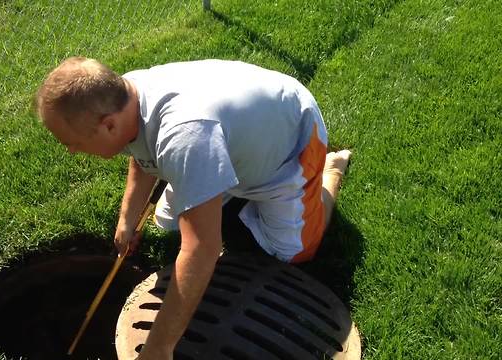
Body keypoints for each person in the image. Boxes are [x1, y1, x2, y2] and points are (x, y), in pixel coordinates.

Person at [35, 57, 351, 360]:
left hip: (290, 143)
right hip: (225, 145)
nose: (73, 152)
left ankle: (326, 173)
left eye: (71, 142)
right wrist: (127, 219)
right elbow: (141, 152)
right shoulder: (123, 96)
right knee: (167, 220)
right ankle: (219, 178)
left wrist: (159, 347)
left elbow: (202, 249)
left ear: (107, 127)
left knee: (292, 252)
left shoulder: (185, 135)